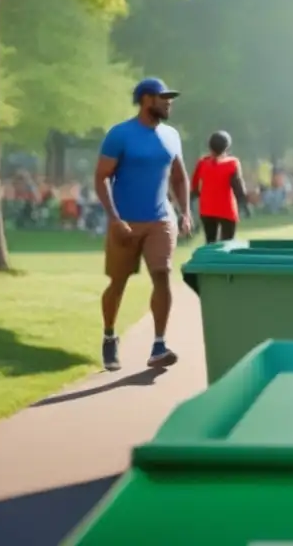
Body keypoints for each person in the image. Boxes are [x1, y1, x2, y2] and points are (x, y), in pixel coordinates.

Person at [94, 78, 192, 372]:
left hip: (161, 219)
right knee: (118, 282)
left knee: (162, 275)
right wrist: (114, 218)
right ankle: (110, 336)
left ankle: (159, 345)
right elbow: (101, 177)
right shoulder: (120, 134)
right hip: (125, 221)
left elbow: (179, 177)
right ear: (146, 100)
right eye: (164, 98)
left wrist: (185, 212)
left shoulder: (172, 136)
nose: (169, 103)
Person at [190, 131, 249, 243]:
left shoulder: (202, 163)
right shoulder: (232, 163)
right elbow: (238, 185)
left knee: (210, 242)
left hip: (207, 208)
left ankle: (211, 260)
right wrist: (243, 202)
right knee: (228, 243)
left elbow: (194, 183)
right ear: (227, 146)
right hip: (227, 209)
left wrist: (196, 194)